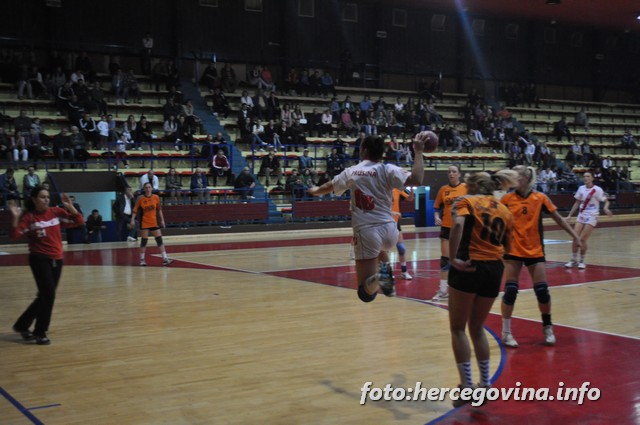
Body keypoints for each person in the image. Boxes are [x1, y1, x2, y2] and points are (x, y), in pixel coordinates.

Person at [308, 134, 426, 301]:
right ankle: (386, 276)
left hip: (367, 231)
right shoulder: (388, 169)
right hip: (390, 230)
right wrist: (419, 152)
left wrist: (315, 191)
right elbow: (417, 179)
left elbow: (329, 186)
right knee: (380, 249)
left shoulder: (353, 171)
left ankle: (381, 277)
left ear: (363, 150)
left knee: (365, 294)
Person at [447, 170, 517, 406]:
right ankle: (485, 386)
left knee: (458, 329)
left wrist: (452, 258)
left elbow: (458, 226)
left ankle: (467, 386)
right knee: (477, 328)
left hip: (468, 265)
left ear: (475, 186)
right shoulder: (505, 210)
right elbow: (509, 247)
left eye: (468, 185)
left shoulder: (465, 201)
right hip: (494, 269)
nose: (466, 189)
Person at [499, 165, 583, 348]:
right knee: (510, 291)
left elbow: (558, 218)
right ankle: (506, 332)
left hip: (534, 250)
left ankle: (547, 327)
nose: (514, 179)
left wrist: (574, 235)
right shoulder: (506, 199)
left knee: (542, 291)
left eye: (517, 176)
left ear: (526, 179)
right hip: (512, 250)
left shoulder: (540, 198)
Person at [9, 186, 84, 345]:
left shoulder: (56, 212)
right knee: (49, 295)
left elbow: (79, 221)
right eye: (42, 197)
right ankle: (40, 332)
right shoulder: (29, 218)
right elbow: (15, 235)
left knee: (44, 295)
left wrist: (70, 206)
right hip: (39, 259)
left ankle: (22, 325)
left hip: (57, 259)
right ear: (34, 199)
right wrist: (15, 217)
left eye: (47, 197)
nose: (46, 200)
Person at [432, 165, 467, 302]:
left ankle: (463, 289)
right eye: (449, 172)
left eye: (454, 172)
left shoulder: (465, 188)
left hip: (462, 228)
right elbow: (436, 207)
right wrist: (436, 217)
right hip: (446, 227)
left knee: (462, 259)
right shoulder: (443, 189)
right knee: (445, 260)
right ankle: (443, 291)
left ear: (459, 174)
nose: (451, 174)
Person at [564, 171, 612, 269]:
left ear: (592, 178)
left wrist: (605, 208)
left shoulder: (597, 190)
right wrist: (569, 215)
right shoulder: (581, 188)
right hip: (582, 214)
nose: (585, 178)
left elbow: (606, 201)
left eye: (588, 176)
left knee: (582, 239)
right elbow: (577, 202)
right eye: (584, 176)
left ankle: (582, 260)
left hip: (592, 215)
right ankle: (573, 259)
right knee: (575, 237)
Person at [130, 182, 173, 266]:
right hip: (144, 223)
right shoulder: (141, 198)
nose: (148, 189)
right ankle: (142, 260)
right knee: (144, 241)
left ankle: (165, 259)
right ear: (144, 189)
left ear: (152, 188)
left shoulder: (156, 197)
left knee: (159, 240)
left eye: (149, 187)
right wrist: (132, 220)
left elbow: (159, 210)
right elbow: (135, 210)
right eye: (146, 187)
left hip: (154, 222)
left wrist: (162, 220)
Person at [392, 188, 414, 280]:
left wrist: (412, 192)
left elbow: (410, 198)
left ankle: (404, 271)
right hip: (383, 222)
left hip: (395, 222)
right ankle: (385, 273)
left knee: (401, 248)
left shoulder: (397, 189)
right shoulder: (381, 188)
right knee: (384, 250)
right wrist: (392, 212)